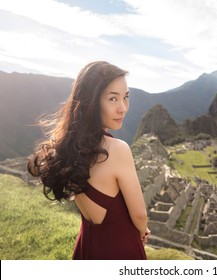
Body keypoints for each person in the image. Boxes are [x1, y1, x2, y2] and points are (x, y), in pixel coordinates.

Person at [28, 61, 150, 260]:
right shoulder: (118, 150)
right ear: (92, 101)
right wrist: (143, 231)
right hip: (121, 249)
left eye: (126, 98)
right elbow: (140, 215)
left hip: (87, 247)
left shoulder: (68, 150)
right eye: (113, 99)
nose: (123, 108)